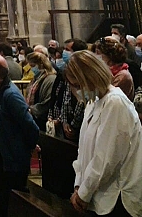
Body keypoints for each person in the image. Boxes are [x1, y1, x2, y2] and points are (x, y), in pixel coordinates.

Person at [65, 50, 142, 217]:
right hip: (97, 194)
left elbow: (106, 159)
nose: (77, 91)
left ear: (90, 77)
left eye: (78, 85)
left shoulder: (115, 102)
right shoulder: (94, 101)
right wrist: (79, 184)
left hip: (117, 198)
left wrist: (83, 193)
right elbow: (83, 150)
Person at [0, 51, 39, 217]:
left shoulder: (10, 94)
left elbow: (29, 125)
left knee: (9, 201)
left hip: (11, 159)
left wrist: (29, 146)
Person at [48, 38, 88, 141]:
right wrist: (64, 121)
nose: (64, 52)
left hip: (81, 124)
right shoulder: (65, 70)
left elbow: (82, 101)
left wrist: (73, 126)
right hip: (66, 121)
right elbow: (65, 98)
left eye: (67, 49)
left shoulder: (84, 72)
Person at [96, 37, 134, 101]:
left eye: (98, 53)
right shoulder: (107, 71)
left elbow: (106, 96)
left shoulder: (123, 75)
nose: (96, 56)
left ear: (109, 56)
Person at [24, 51, 56, 129]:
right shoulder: (36, 78)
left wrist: (32, 110)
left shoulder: (51, 79)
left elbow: (48, 101)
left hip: (43, 118)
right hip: (34, 118)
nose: (32, 69)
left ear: (41, 65)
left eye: (33, 66)